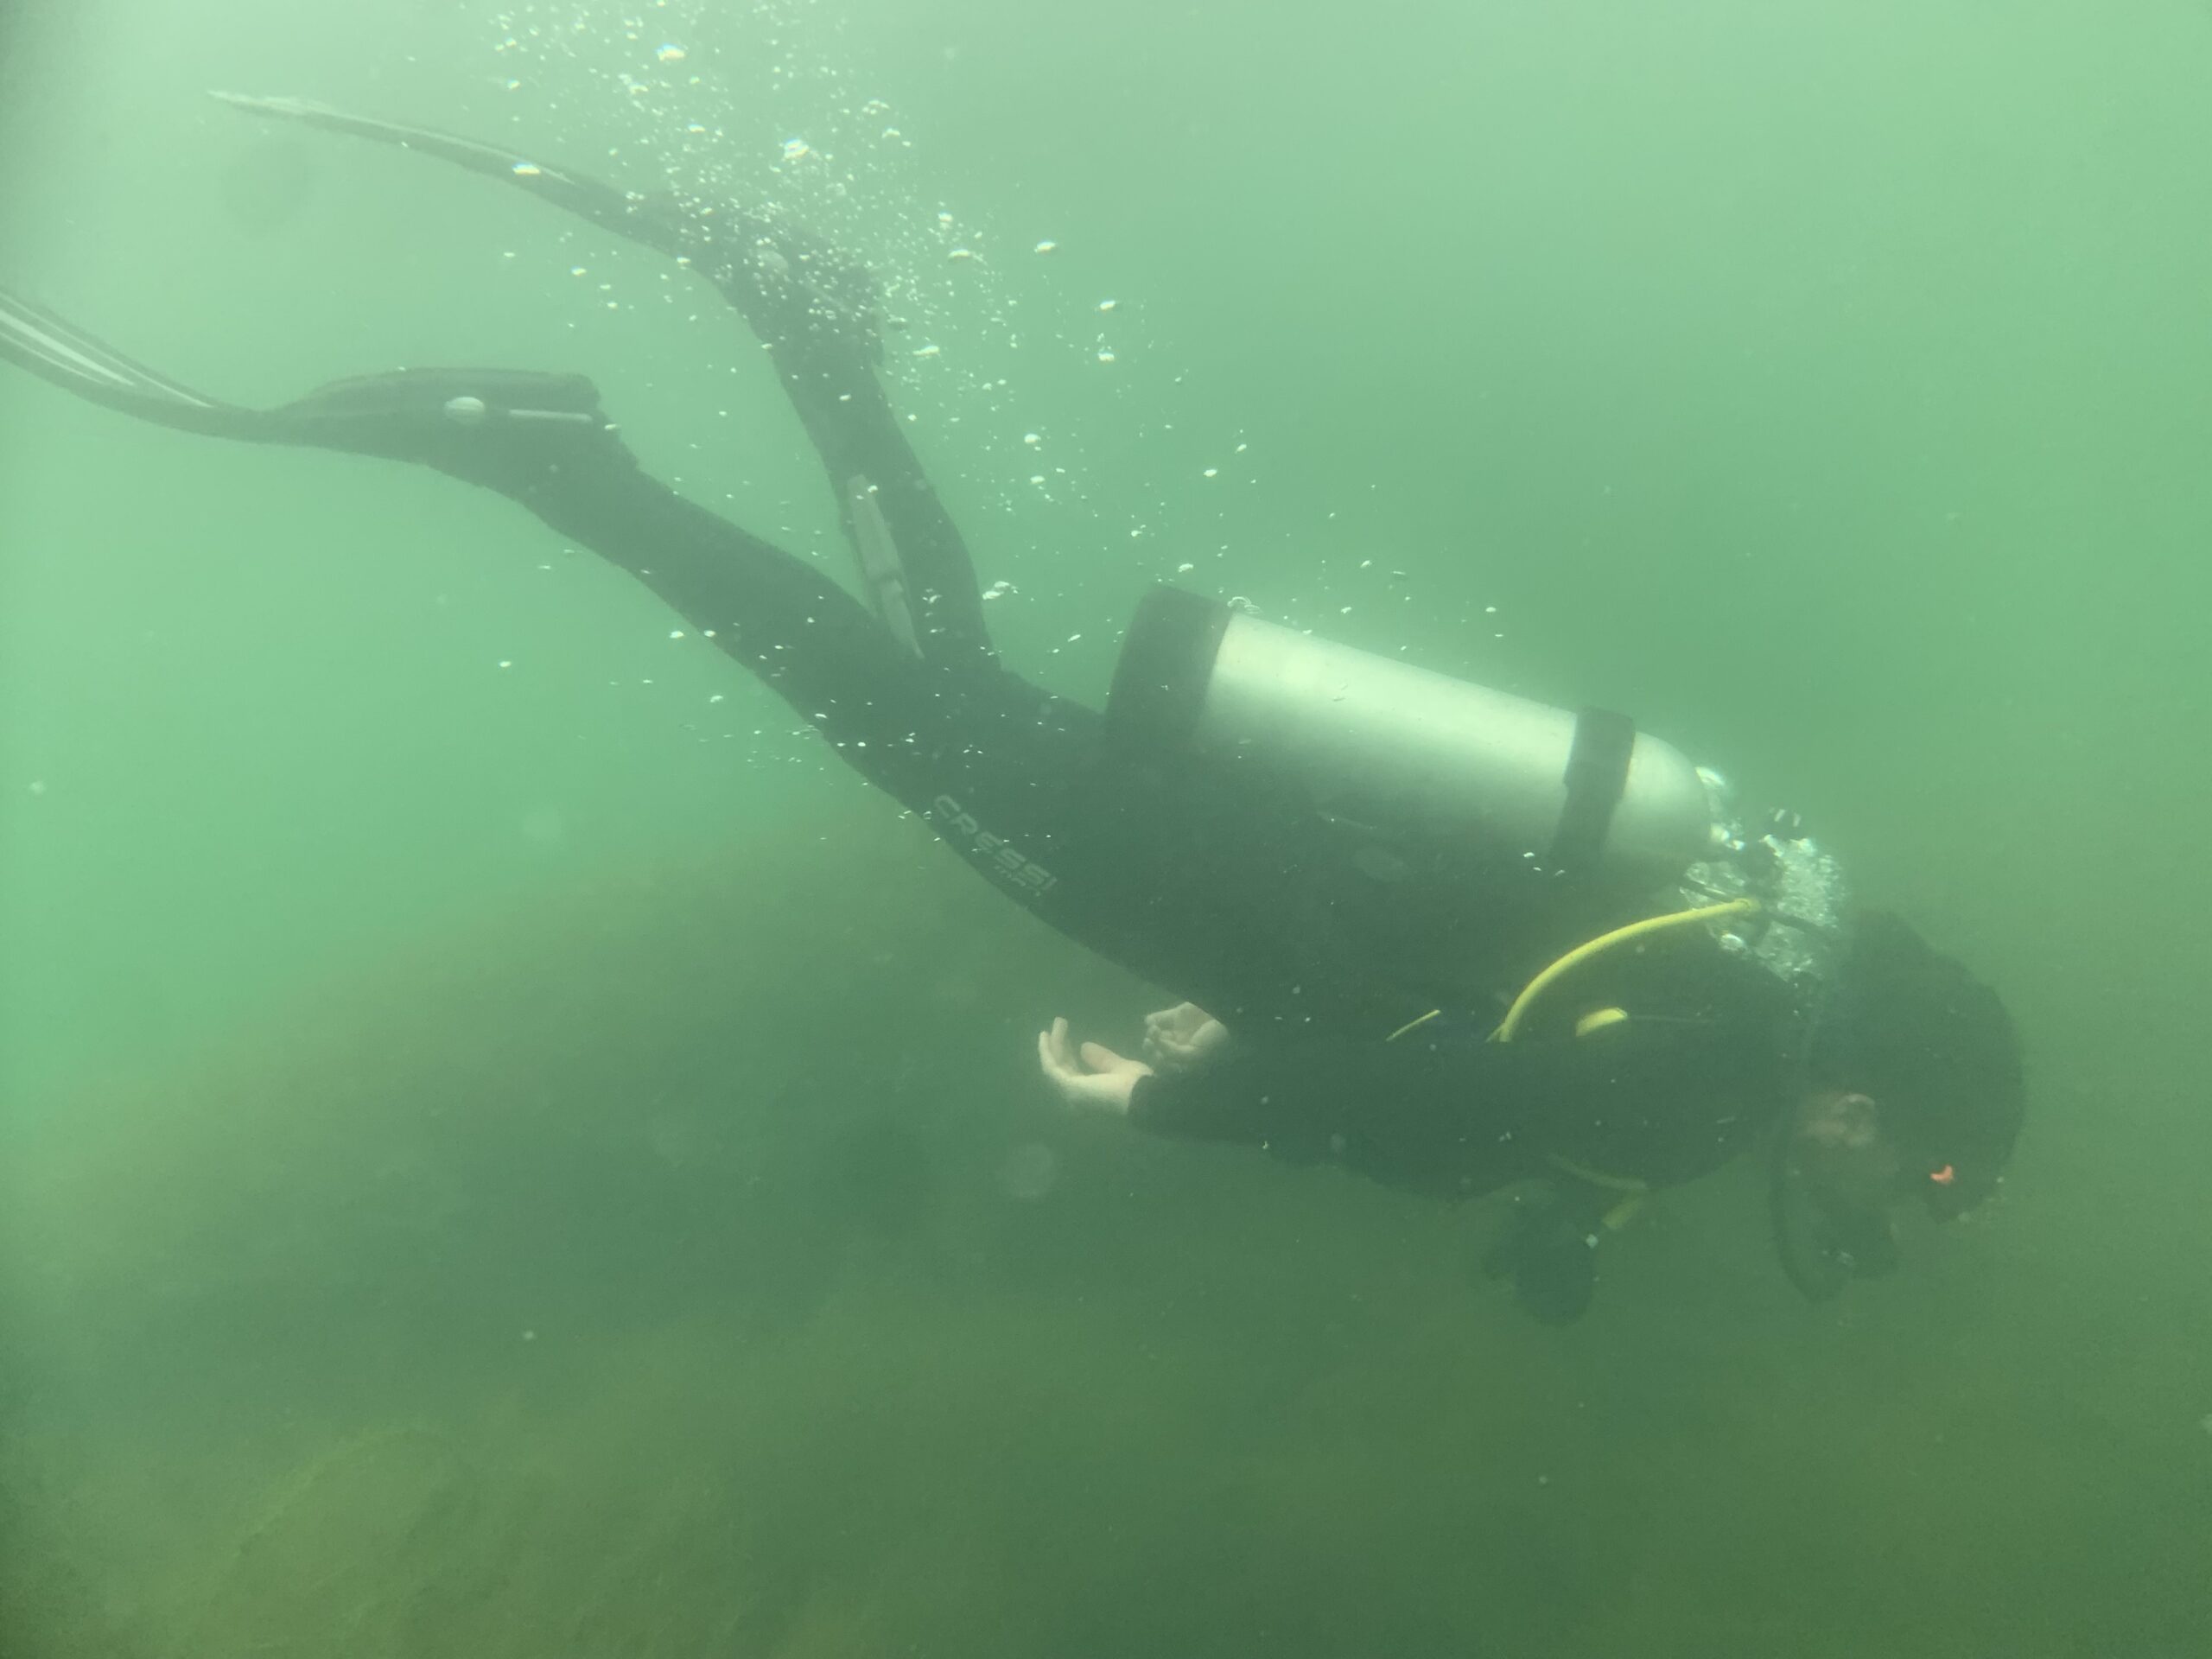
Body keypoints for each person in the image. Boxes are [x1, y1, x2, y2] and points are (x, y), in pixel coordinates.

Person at [1, 94, 2024, 1322]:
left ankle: (802, 316)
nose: (1883, 1210)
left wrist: (1264, 1028)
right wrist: (1170, 1101)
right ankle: (545, 458)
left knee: (930, 686)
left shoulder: (1740, 974)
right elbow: (1431, 1099)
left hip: (1234, 859)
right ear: (1872, 1109)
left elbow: (1456, 1009)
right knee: (878, 703)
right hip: (1191, 866)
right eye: (1922, 1188)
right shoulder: (1712, 1074)